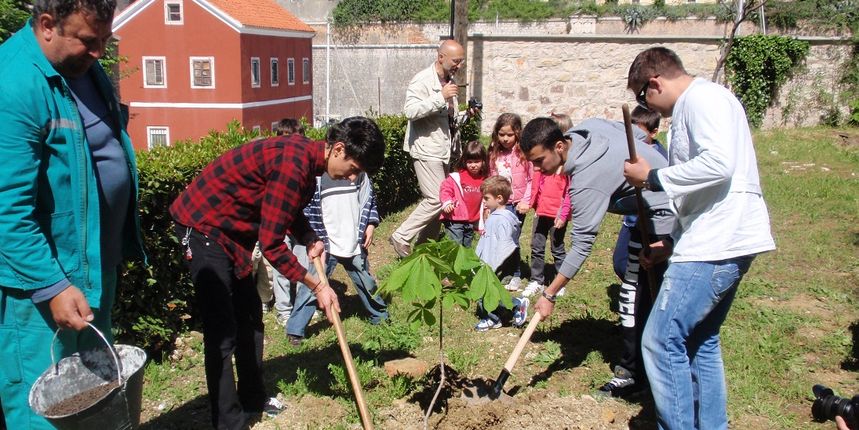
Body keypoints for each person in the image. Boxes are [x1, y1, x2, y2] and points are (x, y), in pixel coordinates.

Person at [170, 117, 384, 430]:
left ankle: (253, 399)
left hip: (234, 233)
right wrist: (317, 286)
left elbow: (285, 208)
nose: (352, 179)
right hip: (204, 227)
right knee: (223, 331)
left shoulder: (309, 164)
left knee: (251, 319)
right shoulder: (293, 167)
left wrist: (308, 235)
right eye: (353, 169)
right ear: (338, 149)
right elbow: (272, 246)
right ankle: (229, 422)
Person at [0, 1, 146, 428]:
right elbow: (7, 209)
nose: (100, 51)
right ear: (47, 25)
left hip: (92, 269)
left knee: (93, 394)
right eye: (89, 40)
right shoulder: (15, 83)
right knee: (43, 410)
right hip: (42, 287)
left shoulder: (83, 66)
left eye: (106, 39)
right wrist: (51, 284)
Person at [623, 47, 776, 429]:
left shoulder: (702, 99)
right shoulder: (702, 103)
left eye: (643, 96)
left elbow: (719, 164)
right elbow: (701, 189)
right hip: (720, 236)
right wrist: (673, 241)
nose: (646, 104)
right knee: (700, 341)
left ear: (654, 83)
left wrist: (653, 177)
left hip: (717, 240)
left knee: (660, 341)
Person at [519, 117, 675, 398]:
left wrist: (550, 293)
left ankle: (635, 374)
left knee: (634, 295)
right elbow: (639, 139)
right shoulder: (587, 129)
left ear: (558, 146)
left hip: (664, 212)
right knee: (634, 284)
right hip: (649, 205)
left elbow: (581, 244)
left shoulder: (587, 181)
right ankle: (645, 350)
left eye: (540, 161)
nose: (537, 169)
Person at [285, 170, 389, 346]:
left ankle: (380, 316)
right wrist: (314, 239)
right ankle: (295, 329)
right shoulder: (317, 177)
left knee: (367, 282)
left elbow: (368, 201)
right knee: (314, 286)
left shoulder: (360, 173)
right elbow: (308, 211)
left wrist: (370, 224)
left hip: (352, 242)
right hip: (326, 243)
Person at [389, 39, 471, 258]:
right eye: (456, 61)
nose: (459, 66)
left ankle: (424, 251)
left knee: (443, 204)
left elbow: (447, 119)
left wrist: (466, 115)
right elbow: (410, 111)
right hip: (426, 149)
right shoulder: (422, 80)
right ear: (441, 57)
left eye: (461, 62)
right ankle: (401, 236)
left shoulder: (449, 80)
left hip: (444, 151)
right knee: (436, 199)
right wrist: (440, 97)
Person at [612, 106, 668, 280]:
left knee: (647, 262)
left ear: (654, 132)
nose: (636, 137)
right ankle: (634, 287)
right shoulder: (630, 154)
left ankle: (641, 293)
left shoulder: (660, 158)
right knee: (621, 262)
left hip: (651, 223)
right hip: (631, 220)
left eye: (640, 132)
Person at [474, 176, 529, 331]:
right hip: (487, 262)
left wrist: (496, 265)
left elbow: (506, 244)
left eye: (486, 198)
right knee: (489, 292)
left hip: (494, 264)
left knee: (485, 292)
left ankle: (498, 315)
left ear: (499, 198)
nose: (483, 201)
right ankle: (503, 311)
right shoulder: (494, 217)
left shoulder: (502, 220)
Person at [487, 113, 533, 291]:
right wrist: (487, 204)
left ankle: (516, 273)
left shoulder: (523, 152)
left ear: (518, 133)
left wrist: (526, 201)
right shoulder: (493, 152)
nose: (505, 138)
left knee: (511, 238)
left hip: (516, 204)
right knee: (498, 237)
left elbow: (531, 179)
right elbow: (490, 179)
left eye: (510, 135)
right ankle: (504, 270)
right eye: (501, 134)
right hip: (499, 204)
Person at [439, 140, 488, 247]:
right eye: (470, 162)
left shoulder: (484, 179)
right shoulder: (458, 177)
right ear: (464, 161)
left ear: (483, 161)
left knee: (467, 247)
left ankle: (464, 263)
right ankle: (453, 263)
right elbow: (445, 189)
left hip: (471, 220)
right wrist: (447, 202)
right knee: (455, 246)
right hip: (455, 219)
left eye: (477, 162)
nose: (473, 165)